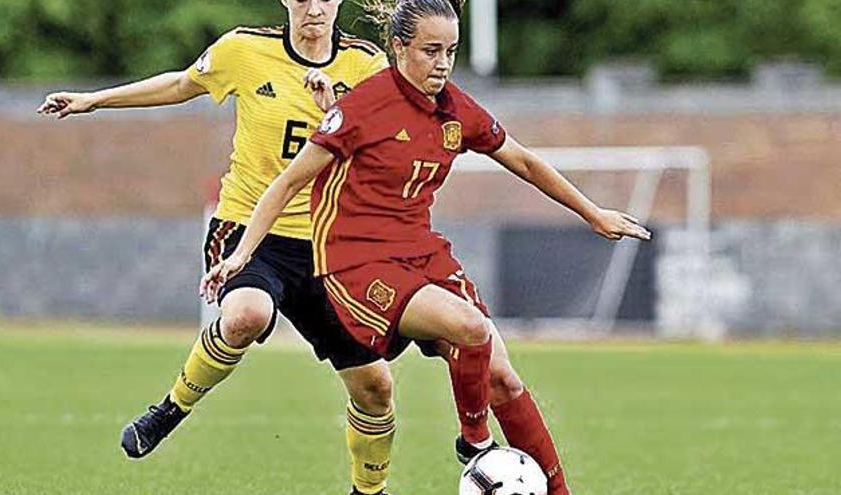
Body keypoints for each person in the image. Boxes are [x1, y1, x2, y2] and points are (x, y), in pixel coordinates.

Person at [202, 1, 652, 493]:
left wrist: (594, 214)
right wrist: (242, 253)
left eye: (451, 52)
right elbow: (287, 183)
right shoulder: (361, 107)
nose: (442, 63)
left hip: (421, 253)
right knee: (471, 327)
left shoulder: (455, 109)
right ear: (398, 48)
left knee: (502, 377)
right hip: (358, 261)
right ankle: (475, 444)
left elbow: (521, 160)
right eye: (430, 51)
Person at [37, 2, 401, 494]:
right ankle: (169, 410)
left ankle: (367, 492)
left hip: (327, 247)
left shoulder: (366, 64)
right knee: (246, 314)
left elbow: (385, 140)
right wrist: (95, 100)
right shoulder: (245, 50)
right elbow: (181, 84)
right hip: (247, 231)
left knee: (376, 389)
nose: (314, 8)